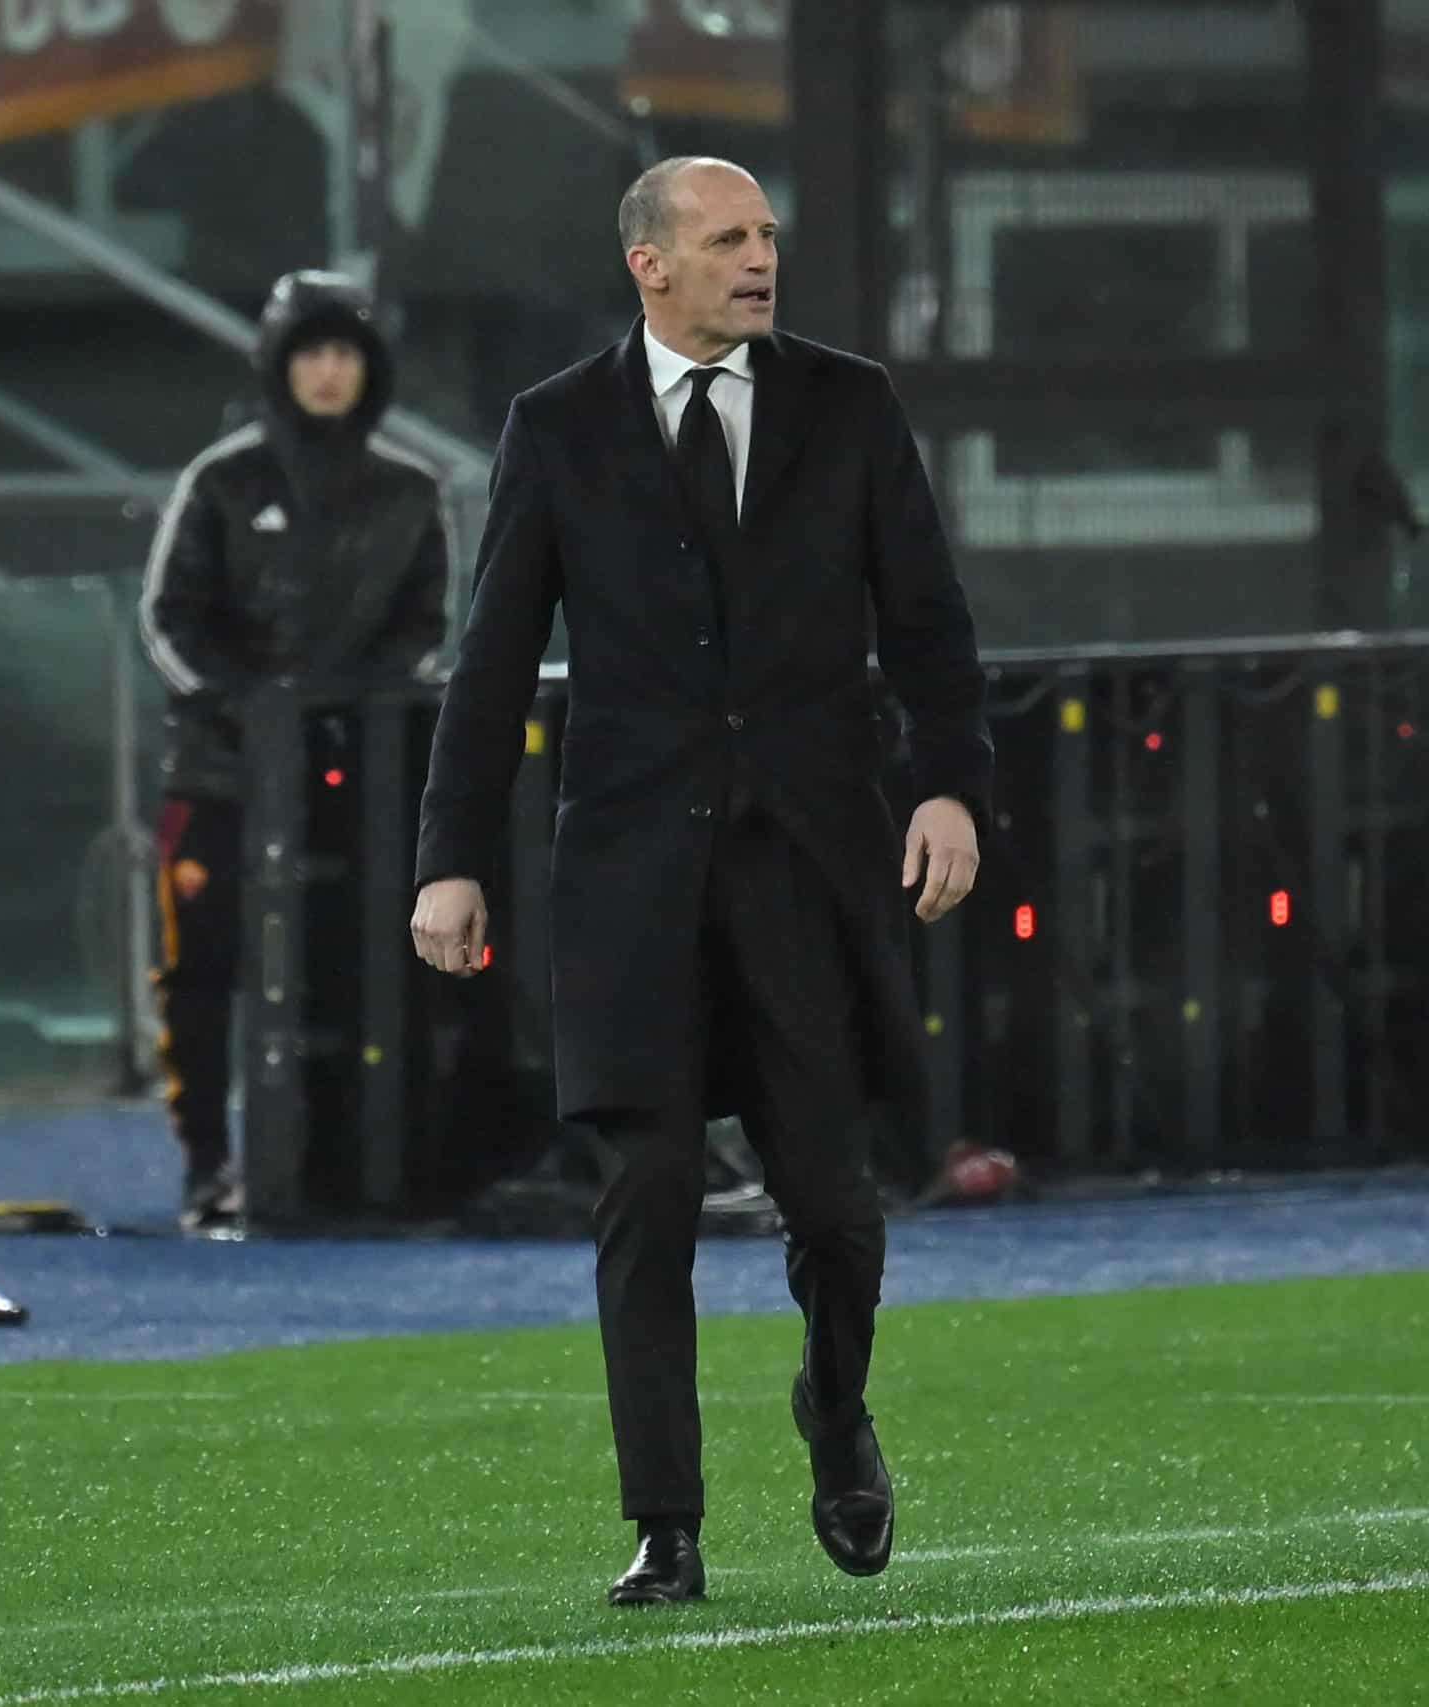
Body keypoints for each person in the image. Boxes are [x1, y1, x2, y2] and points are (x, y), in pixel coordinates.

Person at [409, 157, 993, 1606]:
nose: (760, 257)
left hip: (805, 868)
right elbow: (488, 666)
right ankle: (666, 1524)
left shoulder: (849, 406)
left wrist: (947, 787)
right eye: (727, 237)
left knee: (839, 1207)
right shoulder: (555, 428)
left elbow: (929, 625)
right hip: (628, 879)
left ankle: (834, 1405)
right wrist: (451, 861)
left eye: (769, 234)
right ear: (649, 265)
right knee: (646, 1196)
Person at [140, 271, 452, 1231]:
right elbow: (170, 617)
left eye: (344, 354)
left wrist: (345, 715)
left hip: (352, 783)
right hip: (222, 777)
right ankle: (208, 1164)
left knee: (357, 967)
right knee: (201, 971)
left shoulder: (410, 493)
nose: (328, 372)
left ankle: (346, 1159)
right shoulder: (221, 482)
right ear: (280, 367)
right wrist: (254, 709)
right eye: (311, 354)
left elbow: (422, 625)